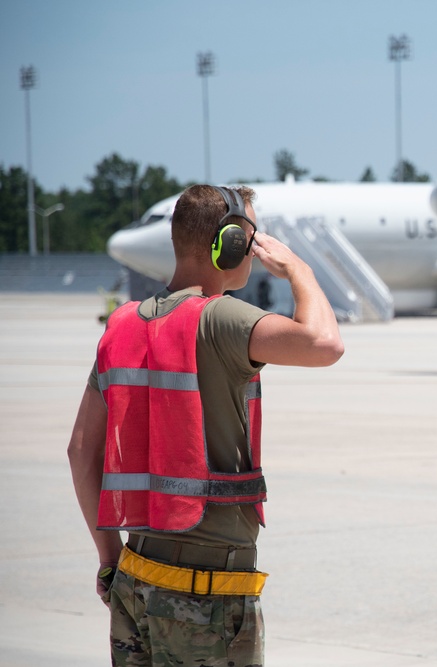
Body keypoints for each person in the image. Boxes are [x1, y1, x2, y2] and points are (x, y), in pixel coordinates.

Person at [67, 184, 344, 666]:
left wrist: (109, 558)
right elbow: (324, 344)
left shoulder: (123, 325)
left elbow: (80, 451)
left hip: (135, 578)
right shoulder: (221, 319)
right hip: (208, 599)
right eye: (251, 239)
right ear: (229, 243)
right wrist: (300, 268)